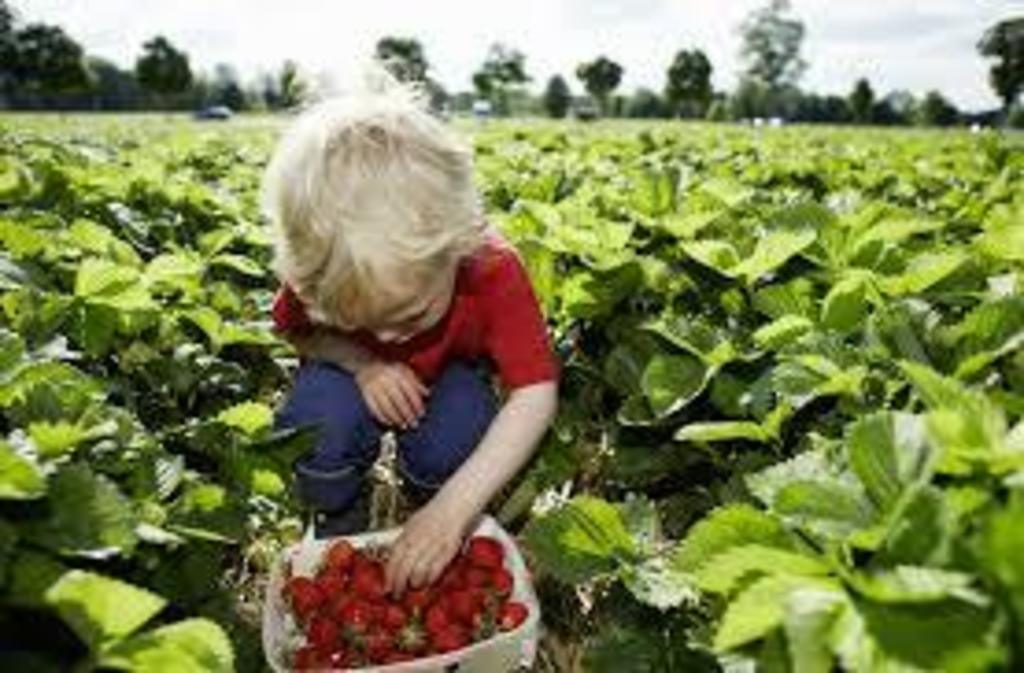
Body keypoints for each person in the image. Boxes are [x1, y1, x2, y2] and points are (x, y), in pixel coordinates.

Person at [260, 68, 559, 598]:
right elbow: (297, 334)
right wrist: (362, 361)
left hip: (446, 381)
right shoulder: (326, 265)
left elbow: (534, 392)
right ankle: (338, 515)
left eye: (412, 314)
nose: (391, 337)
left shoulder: (490, 269)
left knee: (463, 426)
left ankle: (429, 501)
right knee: (315, 419)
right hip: (348, 379)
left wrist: (454, 508)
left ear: (455, 249)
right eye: (359, 321)